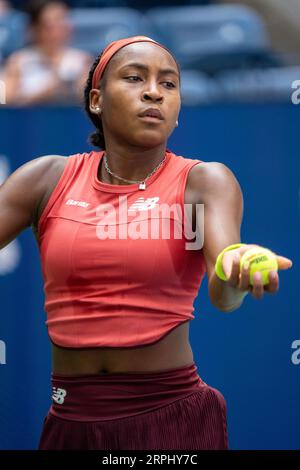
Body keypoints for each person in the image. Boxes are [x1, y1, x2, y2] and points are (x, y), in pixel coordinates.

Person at [0, 35, 292, 450]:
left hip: (171, 421)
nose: (154, 91)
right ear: (97, 100)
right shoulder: (45, 178)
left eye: (169, 84)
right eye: (135, 78)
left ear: (177, 113)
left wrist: (237, 266)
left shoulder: (204, 181)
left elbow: (224, 293)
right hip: (69, 421)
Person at [2, 0, 92, 105]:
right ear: (35, 28)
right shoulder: (18, 61)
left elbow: (89, 100)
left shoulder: (82, 60)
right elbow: (6, 101)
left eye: (63, 20)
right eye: (52, 23)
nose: (61, 27)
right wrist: (43, 94)